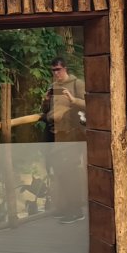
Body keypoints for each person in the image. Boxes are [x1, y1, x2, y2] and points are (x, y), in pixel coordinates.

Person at [41, 56, 86, 222]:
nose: (56, 73)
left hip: (71, 135)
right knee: (60, 173)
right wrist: (46, 101)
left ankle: (76, 210)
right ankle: (66, 207)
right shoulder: (53, 86)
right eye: (53, 70)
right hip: (55, 135)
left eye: (58, 70)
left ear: (65, 68)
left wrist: (73, 100)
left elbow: (90, 104)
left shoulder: (77, 84)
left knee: (70, 173)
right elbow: (46, 110)